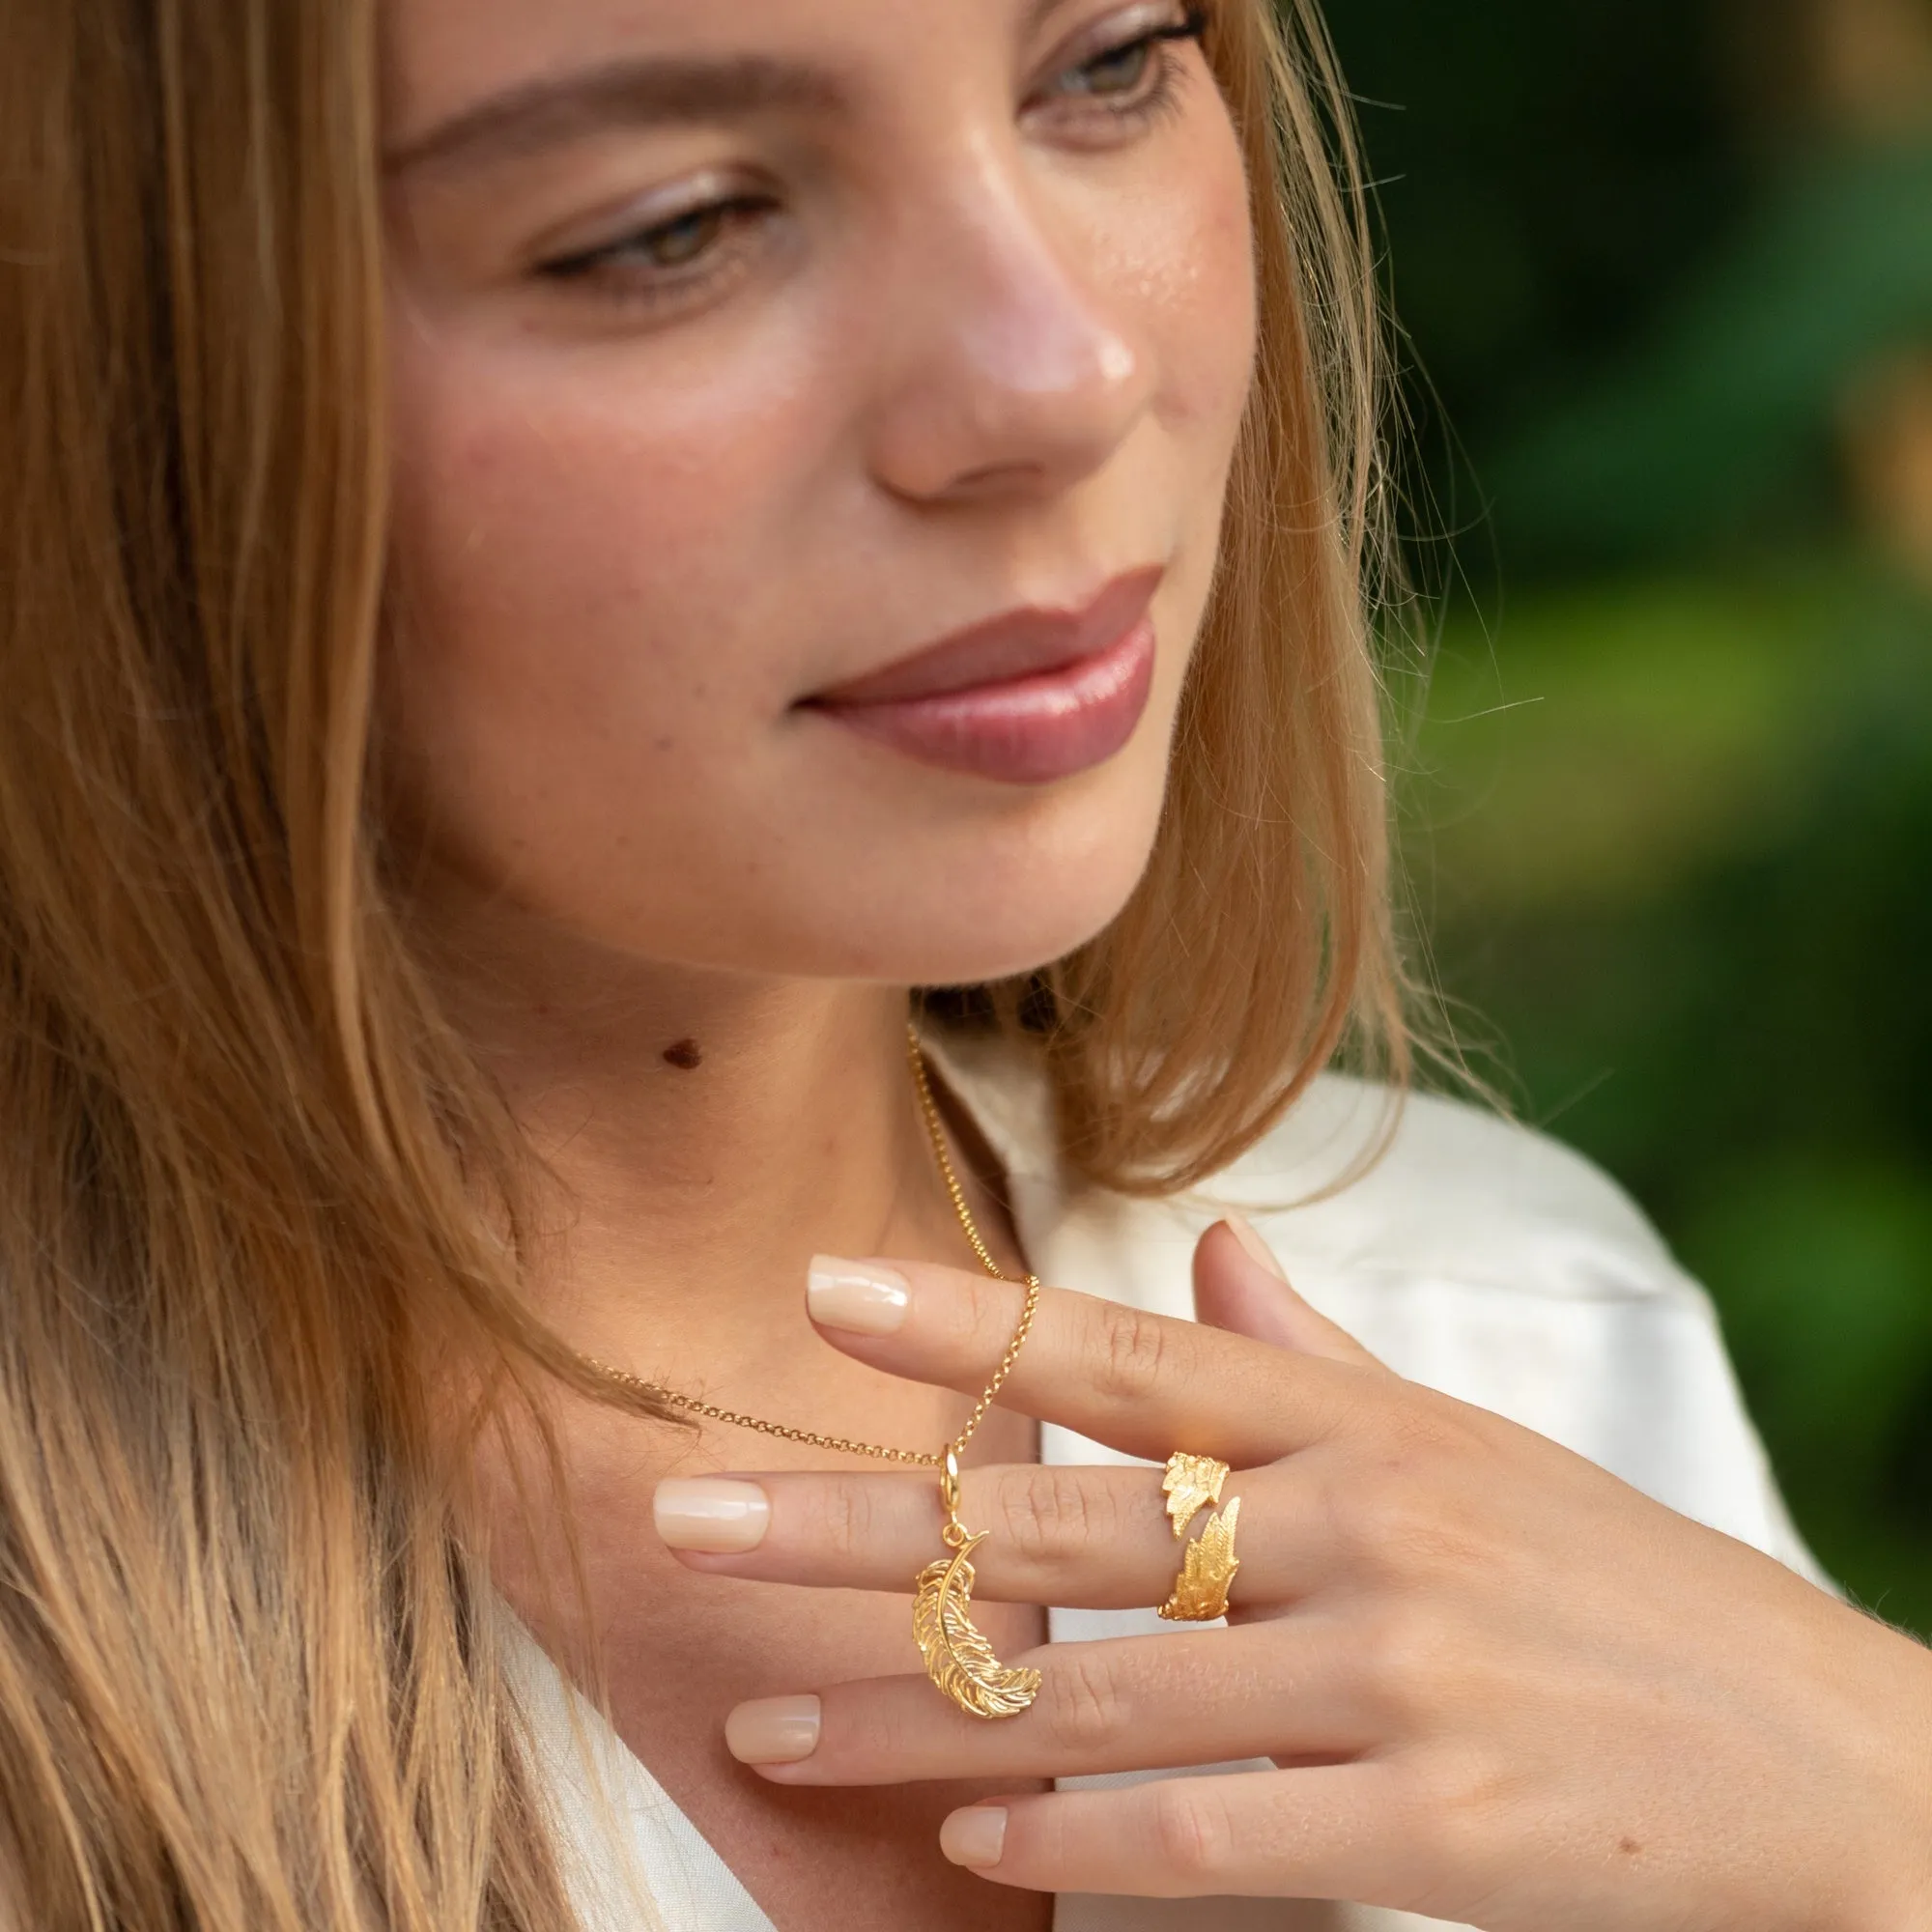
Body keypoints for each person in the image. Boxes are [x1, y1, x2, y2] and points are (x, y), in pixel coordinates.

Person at [2, 0, 1926, 1927]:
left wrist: (1880, 1798)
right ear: (95, 362)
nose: (1064, 375)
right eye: (671, 224)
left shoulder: (1505, 1336)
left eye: (1104, 69)